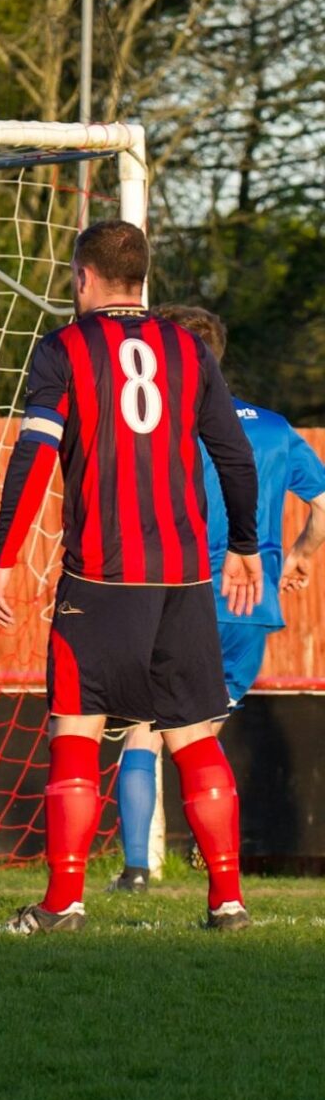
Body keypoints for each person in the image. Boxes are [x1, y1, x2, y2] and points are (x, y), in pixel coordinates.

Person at [0, 220, 262, 933]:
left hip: (103, 578)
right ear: (141, 277)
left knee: (75, 729)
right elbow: (233, 454)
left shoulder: (65, 348)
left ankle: (62, 902)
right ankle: (227, 900)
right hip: (184, 580)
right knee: (195, 734)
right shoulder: (189, 349)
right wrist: (245, 546)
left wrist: (3, 557)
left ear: (83, 277)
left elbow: (35, 456)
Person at [109, 304, 325, 893]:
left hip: (184, 598)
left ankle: (134, 869)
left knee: (146, 731)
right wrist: (303, 552)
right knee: (203, 739)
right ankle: (222, 881)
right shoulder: (275, 428)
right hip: (252, 609)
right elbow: (323, 501)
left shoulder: (162, 425)